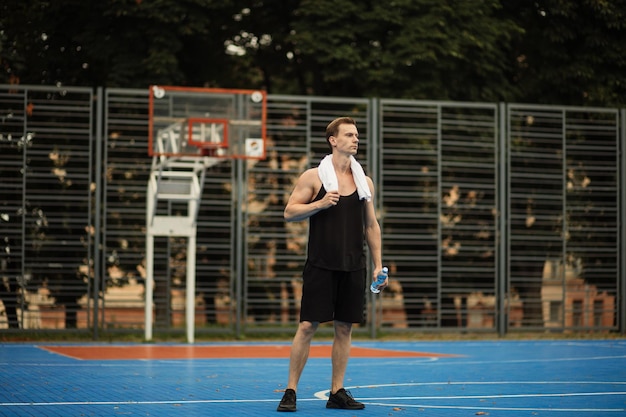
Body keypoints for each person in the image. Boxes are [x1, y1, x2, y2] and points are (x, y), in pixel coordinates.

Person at [277, 117, 386, 412]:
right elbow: (289, 212)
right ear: (333, 140)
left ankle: (336, 392)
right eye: (349, 135)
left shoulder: (365, 182)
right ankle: (290, 391)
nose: (355, 139)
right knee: (307, 325)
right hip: (321, 264)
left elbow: (371, 226)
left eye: (357, 135)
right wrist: (320, 204)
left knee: (344, 329)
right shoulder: (313, 177)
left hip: (353, 265)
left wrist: (378, 265)